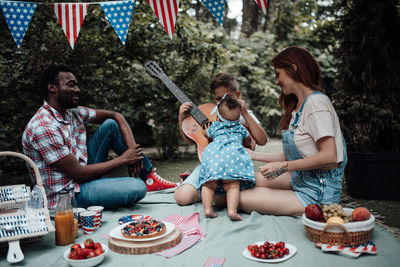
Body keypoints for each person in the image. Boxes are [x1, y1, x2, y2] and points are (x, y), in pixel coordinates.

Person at [22, 65, 177, 210]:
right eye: (71, 85)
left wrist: (132, 152)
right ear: (52, 88)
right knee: (136, 187)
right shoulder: (44, 127)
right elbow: (78, 174)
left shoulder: (72, 112)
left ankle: (149, 177)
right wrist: (124, 159)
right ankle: (131, 183)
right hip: (68, 195)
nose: (77, 89)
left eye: (77, 85)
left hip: (83, 174)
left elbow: (115, 116)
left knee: (110, 124)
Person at [239, 46, 347, 216]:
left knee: (239, 197)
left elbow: (330, 157)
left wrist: (284, 166)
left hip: (316, 194)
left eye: (278, 74)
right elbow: (299, 155)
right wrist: (251, 155)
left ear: (293, 69)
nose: (276, 81)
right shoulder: (299, 107)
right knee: (238, 182)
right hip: (300, 179)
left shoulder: (317, 104)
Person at [174, 72, 267, 206]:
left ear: (238, 94)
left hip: (237, 168)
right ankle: (199, 185)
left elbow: (262, 141)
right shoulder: (210, 113)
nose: (222, 101)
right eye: (218, 98)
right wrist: (181, 118)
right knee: (183, 197)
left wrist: (245, 113)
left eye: (227, 96)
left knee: (225, 200)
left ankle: (210, 192)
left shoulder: (244, 114)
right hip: (210, 166)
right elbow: (191, 140)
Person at [199, 95, 255, 221]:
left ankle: (208, 209)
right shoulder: (241, 128)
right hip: (233, 158)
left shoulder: (214, 126)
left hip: (213, 156)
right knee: (232, 186)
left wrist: (207, 130)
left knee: (208, 184)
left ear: (218, 117)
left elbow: (206, 133)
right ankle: (232, 211)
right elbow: (248, 140)